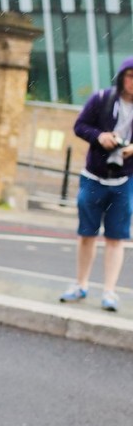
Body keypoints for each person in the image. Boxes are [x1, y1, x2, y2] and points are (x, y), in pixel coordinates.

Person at [60, 58, 133, 312]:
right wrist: (99, 137)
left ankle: (110, 292)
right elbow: (79, 126)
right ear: (122, 76)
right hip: (93, 176)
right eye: (130, 76)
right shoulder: (101, 99)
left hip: (124, 180)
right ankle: (80, 285)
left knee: (116, 238)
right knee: (86, 234)